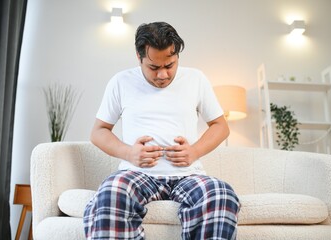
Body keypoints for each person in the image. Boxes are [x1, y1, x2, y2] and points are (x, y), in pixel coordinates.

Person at [84, 21, 240, 240]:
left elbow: (221, 126)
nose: (163, 75)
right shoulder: (120, 82)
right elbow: (98, 132)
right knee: (111, 193)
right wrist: (129, 153)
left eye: (170, 65)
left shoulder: (196, 79)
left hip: (188, 175)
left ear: (177, 56)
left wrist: (194, 152)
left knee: (220, 193)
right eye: (154, 68)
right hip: (137, 174)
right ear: (139, 58)